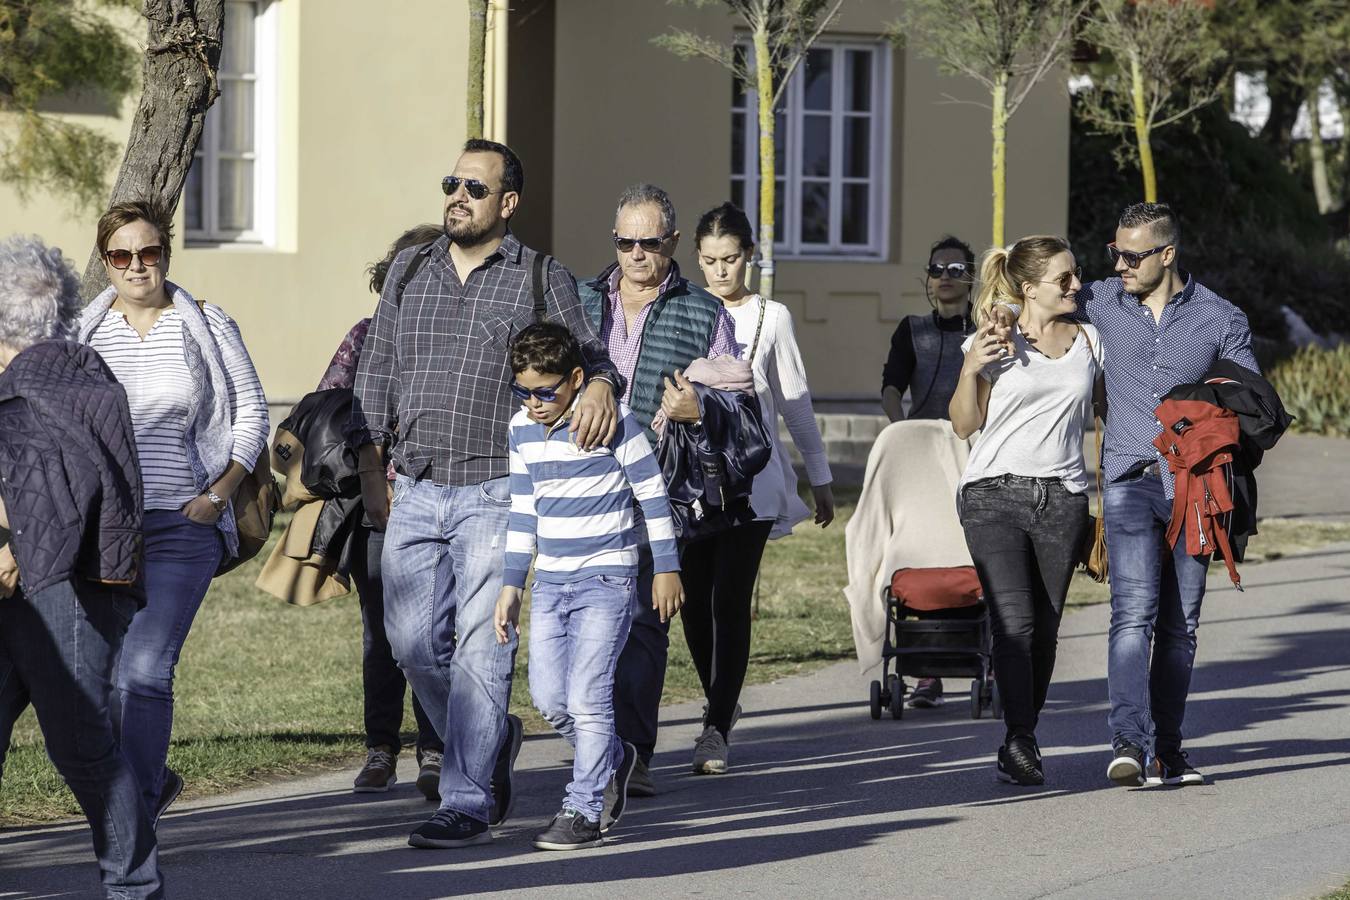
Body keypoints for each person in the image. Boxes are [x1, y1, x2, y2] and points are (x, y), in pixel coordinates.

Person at [350, 139, 623, 849]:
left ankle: (466, 800)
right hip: (414, 485)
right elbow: (375, 368)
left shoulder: (539, 276)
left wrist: (597, 384)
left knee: (481, 650)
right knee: (409, 643)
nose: (457, 196)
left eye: (475, 187)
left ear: (507, 203)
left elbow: (593, 355)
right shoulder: (411, 269)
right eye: (451, 183)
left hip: (497, 491)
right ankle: (491, 734)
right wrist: (372, 468)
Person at [76, 198, 270, 823]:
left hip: (182, 522)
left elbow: (253, 415)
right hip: (104, 528)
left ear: (165, 256)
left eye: (149, 252)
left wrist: (216, 495)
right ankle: (149, 783)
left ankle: (128, 816)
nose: (137, 266)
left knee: (146, 671)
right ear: (106, 263)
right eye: (122, 255)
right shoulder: (83, 335)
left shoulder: (207, 325)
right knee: (99, 677)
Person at [0, 235, 163, 898]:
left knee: (83, 749)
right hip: (33, 586)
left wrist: (12, 549)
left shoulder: (42, 380)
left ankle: (134, 888)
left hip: (58, 591)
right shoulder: (61, 373)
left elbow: (57, 491)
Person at [1080, 203, 1257, 788]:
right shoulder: (1102, 302)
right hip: (1129, 479)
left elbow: (1248, 401)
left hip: (1195, 488)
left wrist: (1207, 411)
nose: (1122, 264)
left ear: (1168, 254)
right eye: (1116, 253)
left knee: (1181, 625)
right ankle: (1129, 743)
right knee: (1132, 615)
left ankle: (1170, 749)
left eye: (1134, 255)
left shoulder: (1220, 318)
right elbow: (1045, 310)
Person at [575, 183, 740, 796]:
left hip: (657, 487)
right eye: (626, 242)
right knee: (586, 620)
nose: (637, 253)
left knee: (644, 622)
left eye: (649, 242)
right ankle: (593, 742)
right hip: (581, 485)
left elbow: (735, 397)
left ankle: (634, 754)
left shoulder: (704, 312)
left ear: (672, 243)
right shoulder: (581, 300)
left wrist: (700, 406)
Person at [494, 323, 682, 850]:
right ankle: (617, 758)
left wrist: (666, 569)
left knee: (588, 698)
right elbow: (523, 510)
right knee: (550, 698)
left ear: (576, 379)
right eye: (522, 390)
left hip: (608, 579)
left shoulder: (614, 421)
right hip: (551, 583)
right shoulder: (521, 430)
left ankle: (583, 808)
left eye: (545, 391)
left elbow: (653, 497)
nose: (533, 402)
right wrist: (513, 585)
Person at [687, 201, 834, 774]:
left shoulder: (772, 317)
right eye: (709, 261)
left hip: (754, 477)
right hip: (694, 477)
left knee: (730, 599)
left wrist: (819, 477)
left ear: (748, 256)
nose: (720, 271)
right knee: (694, 603)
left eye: (730, 259)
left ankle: (716, 725)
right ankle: (721, 697)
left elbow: (794, 400)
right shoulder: (685, 309)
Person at [949, 235, 1100, 786]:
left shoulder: (1091, 340)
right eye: (1064, 279)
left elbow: (1106, 415)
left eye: (1076, 274)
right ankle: (1020, 739)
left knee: (1046, 630)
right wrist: (970, 368)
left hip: (1063, 500)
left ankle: (1021, 734)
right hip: (993, 495)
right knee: (1015, 623)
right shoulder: (993, 339)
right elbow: (964, 424)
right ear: (1030, 288)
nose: (1076, 285)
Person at [316, 224, 446, 798]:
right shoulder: (366, 336)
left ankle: (437, 750)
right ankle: (381, 749)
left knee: (436, 632)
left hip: (445, 501)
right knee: (383, 634)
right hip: (377, 505)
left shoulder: (457, 337)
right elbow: (326, 403)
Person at [881, 236, 978, 708]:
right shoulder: (912, 329)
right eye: (938, 269)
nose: (946, 277)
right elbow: (890, 387)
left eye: (957, 269)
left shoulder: (985, 327)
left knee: (968, 558)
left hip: (974, 458)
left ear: (972, 277)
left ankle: (982, 657)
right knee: (922, 559)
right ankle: (925, 673)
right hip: (922, 467)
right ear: (927, 277)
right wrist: (902, 433)